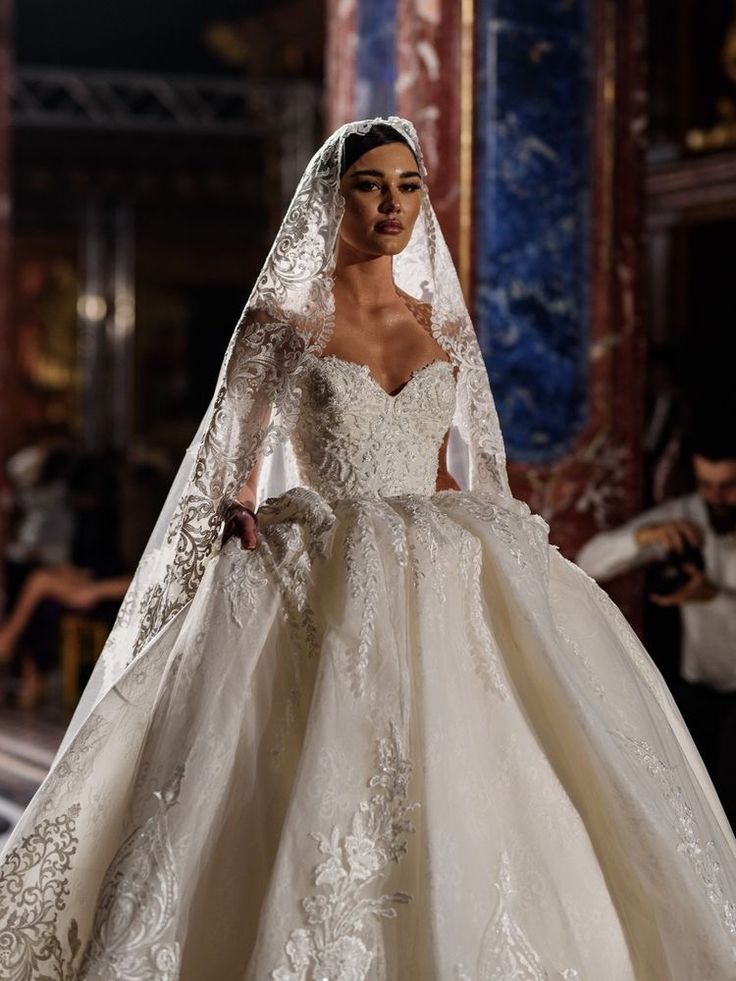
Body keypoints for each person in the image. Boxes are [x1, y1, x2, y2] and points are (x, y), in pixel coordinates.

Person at [0, 118, 734, 980]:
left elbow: (454, 471)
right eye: (371, 185)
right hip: (323, 570)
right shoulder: (281, 323)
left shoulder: (441, 327)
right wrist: (236, 517)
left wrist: (508, 541)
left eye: (410, 186)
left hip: (439, 574)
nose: (394, 205)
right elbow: (224, 467)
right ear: (331, 196)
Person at [577, 428, 736, 830]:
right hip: (696, 694)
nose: (716, 498)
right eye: (707, 486)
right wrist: (640, 538)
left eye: (729, 487)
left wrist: (713, 597)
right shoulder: (686, 514)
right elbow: (589, 562)